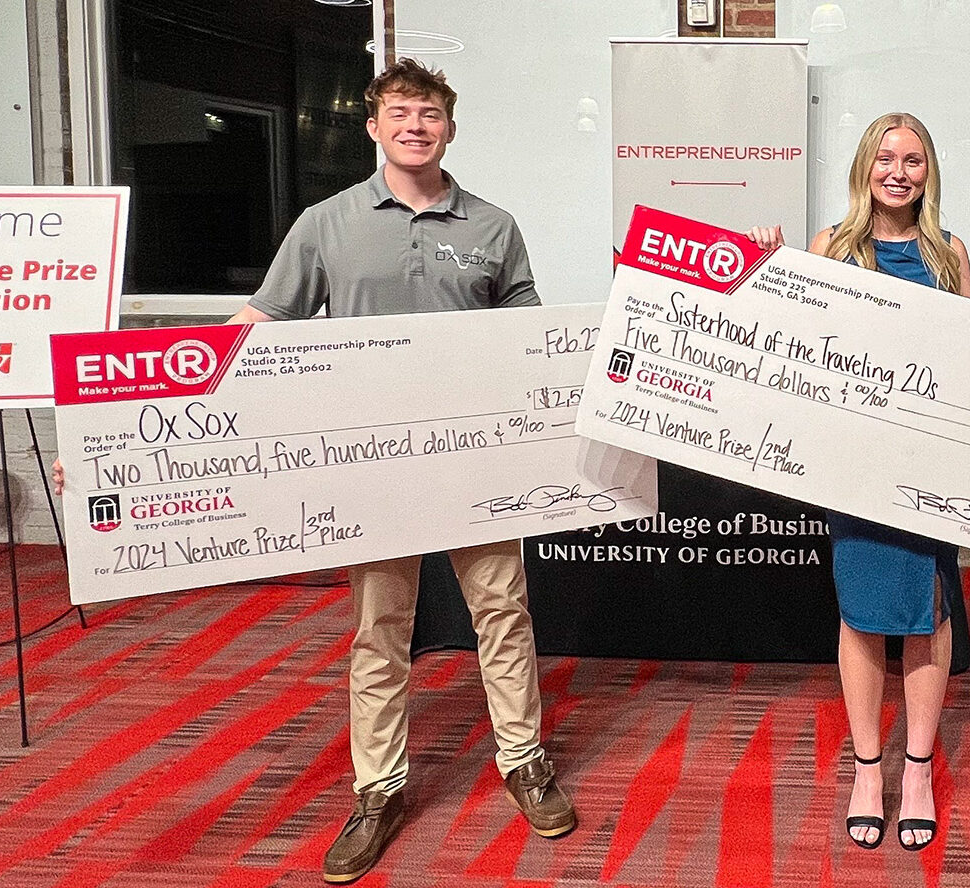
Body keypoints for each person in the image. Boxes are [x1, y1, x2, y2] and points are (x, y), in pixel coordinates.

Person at [57, 58, 579, 885]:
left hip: (477, 465)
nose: (415, 126)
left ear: (451, 127)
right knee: (380, 630)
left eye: (430, 114)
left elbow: (533, 339)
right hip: (372, 470)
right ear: (373, 128)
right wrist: (110, 432)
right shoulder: (326, 224)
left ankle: (524, 762)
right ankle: (380, 789)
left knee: (503, 616)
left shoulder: (493, 226)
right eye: (399, 113)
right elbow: (252, 328)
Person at [748, 112, 970, 853]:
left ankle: (916, 770)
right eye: (886, 158)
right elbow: (798, 348)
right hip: (855, 466)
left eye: (914, 159)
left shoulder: (950, 255)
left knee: (927, 611)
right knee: (862, 612)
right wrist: (772, 278)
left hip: (926, 465)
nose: (899, 172)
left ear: (928, 171)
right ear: (865, 168)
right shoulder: (830, 247)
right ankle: (867, 770)